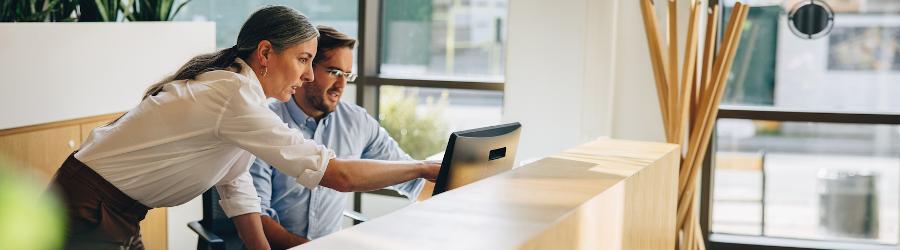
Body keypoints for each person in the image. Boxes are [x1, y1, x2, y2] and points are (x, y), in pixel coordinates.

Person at [49, 6, 439, 250]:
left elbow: (236, 187)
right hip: (89, 207)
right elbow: (334, 175)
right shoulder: (234, 94)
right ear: (266, 53)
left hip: (113, 208)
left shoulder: (240, 96)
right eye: (304, 59)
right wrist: (422, 167)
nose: (306, 75)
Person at [250, 26, 429, 249]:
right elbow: (257, 218)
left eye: (347, 75)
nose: (342, 85)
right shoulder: (264, 123)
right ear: (306, 69)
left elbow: (413, 179)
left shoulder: (357, 122)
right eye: (334, 72)